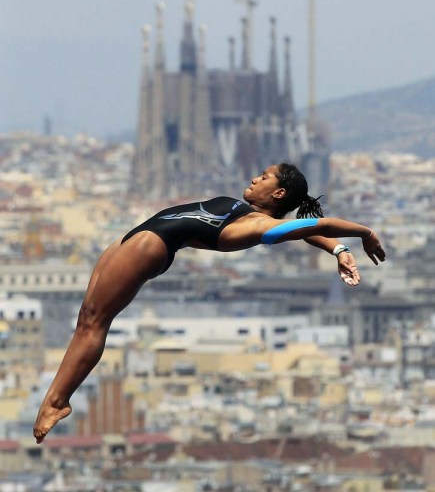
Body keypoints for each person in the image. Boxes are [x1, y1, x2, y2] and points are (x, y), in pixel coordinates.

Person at [33, 163, 385, 443]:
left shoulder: (257, 228)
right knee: (87, 319)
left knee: (94, 323)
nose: (253, 178)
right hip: (138, 238)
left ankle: (57, 402)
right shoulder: (254, 216)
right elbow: (307, 229)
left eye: (263, 177)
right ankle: (55, 399)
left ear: (277, 192)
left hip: (151, 244)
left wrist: (363, 232)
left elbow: (315, 223)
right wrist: (338, 249)